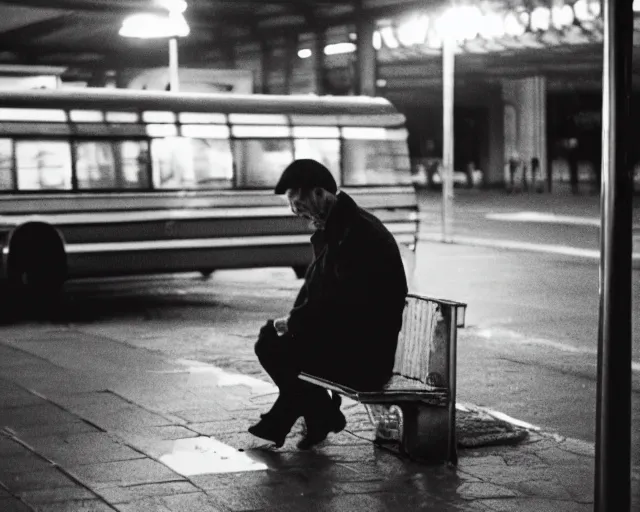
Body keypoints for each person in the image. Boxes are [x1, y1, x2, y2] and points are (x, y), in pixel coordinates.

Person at [248, 159, 408, 449]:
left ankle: (311, 417)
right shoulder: (340, 229)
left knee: (274, 346)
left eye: (303, 207)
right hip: (348, 342)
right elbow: (319, 292)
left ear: (321, 194)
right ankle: (318, 416)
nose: (303, 217)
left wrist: (296, 325)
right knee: (270, 337)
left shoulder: (355, 235)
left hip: (366, 355)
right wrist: (294, 322)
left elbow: (339, 303)